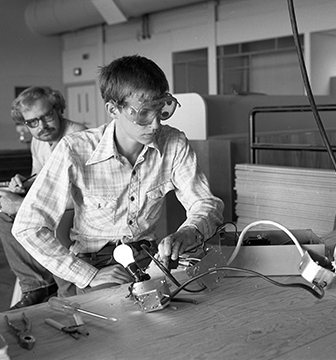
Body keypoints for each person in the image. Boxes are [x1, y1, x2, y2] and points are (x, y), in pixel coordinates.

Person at [12, 55, 224, 294]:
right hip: (94, 262)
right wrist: (88, 275)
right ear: (113, 109)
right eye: (143, 113)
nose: (155, 125)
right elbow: (27, 226)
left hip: (148, 258)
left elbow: (206, 203)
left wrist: (190, 231)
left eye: (161, 110)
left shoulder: (173, 143)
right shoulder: (75, 149)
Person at [0, 86, 87, 309]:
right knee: (0, 211)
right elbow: (42, 179)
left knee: (49, 221)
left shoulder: (76, 137)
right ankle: (37, 283)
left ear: (58, 109)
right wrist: (24, 184)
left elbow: (79, 195)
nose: (41, 126)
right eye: (32, 122)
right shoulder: (39, 141)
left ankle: (68, 291)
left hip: (79, 209)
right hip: (56, 204)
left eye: (46, 117)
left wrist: (24, 205)